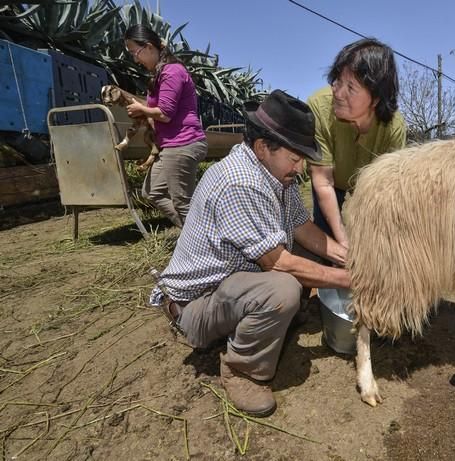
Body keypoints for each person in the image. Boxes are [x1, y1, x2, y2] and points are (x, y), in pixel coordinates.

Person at [149, 90, 350, 418]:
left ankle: (265, 322)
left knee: (307, 255)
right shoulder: (240, 183)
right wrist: (350, 279)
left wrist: (346, 256)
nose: (300, 168)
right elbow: (278, 263)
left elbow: (303, 228)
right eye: (295, 157)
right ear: (262, 147)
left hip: (229, 286)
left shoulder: (276, 176)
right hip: (196, 306)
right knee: (282, 288)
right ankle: (241, 370)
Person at [307, 38, 407, 247]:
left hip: (370, 186)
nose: (338, 93)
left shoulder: (394, 127)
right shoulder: (318, 107)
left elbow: (386, 190)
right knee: (328, 236)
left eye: (351, 88)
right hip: (330, 182)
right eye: (337, 81)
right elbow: (323, 181)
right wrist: (342, 240)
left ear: (376, 98)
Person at [124, 24, 207, 228]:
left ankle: (207, 246)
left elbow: (166, 114)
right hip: (171, 145)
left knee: (182, 203)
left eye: (136, 52)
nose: (136, 59)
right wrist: (143, 110)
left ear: (150, 47)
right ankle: (197, 236)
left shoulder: (172, 71)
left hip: (182, 143)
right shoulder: (161, 73)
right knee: (152, 192)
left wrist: (142, 110)